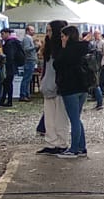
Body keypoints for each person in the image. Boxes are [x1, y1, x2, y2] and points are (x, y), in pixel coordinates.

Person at [52, 25, 90, 157]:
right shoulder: (83, 48)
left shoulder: (68, 50)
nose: (61, 39)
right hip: (83, 86)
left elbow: (57, 64)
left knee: (74, 119)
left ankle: (74, 149)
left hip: (70, 87)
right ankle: (81, 147)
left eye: (63, 36)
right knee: (77, 118)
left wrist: (62, 48)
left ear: (68, 36)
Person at [37, 20, 71, 155]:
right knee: (49, 117)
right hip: (48, 85)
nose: (48, 34)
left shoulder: (63, 48)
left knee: (60, 117)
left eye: (50, 31)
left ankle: (62, 143)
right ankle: (51, 142)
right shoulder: (48, 47)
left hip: (60, 86)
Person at [1, 28, 25, 107]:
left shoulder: (10, 43)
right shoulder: (14, 41)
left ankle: (9, 101)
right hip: (13, 65)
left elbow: (10, 55)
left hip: (10, 66)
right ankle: (3, 99)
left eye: (3, 34)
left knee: (8, 83)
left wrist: (7, 62)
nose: (2, 36)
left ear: (8, 33)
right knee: (6, 83)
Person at [19, 25, 38, 101]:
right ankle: (23, 95)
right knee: (26, 78)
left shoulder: (29, 38)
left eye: (33, 30)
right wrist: (35, 47)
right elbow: (26, 49)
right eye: (31, 30)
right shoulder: (27, 39)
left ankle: (26, 94)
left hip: (31, 60)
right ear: (27, 31)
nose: (33, 31)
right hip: (29, 60)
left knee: (28, 78)